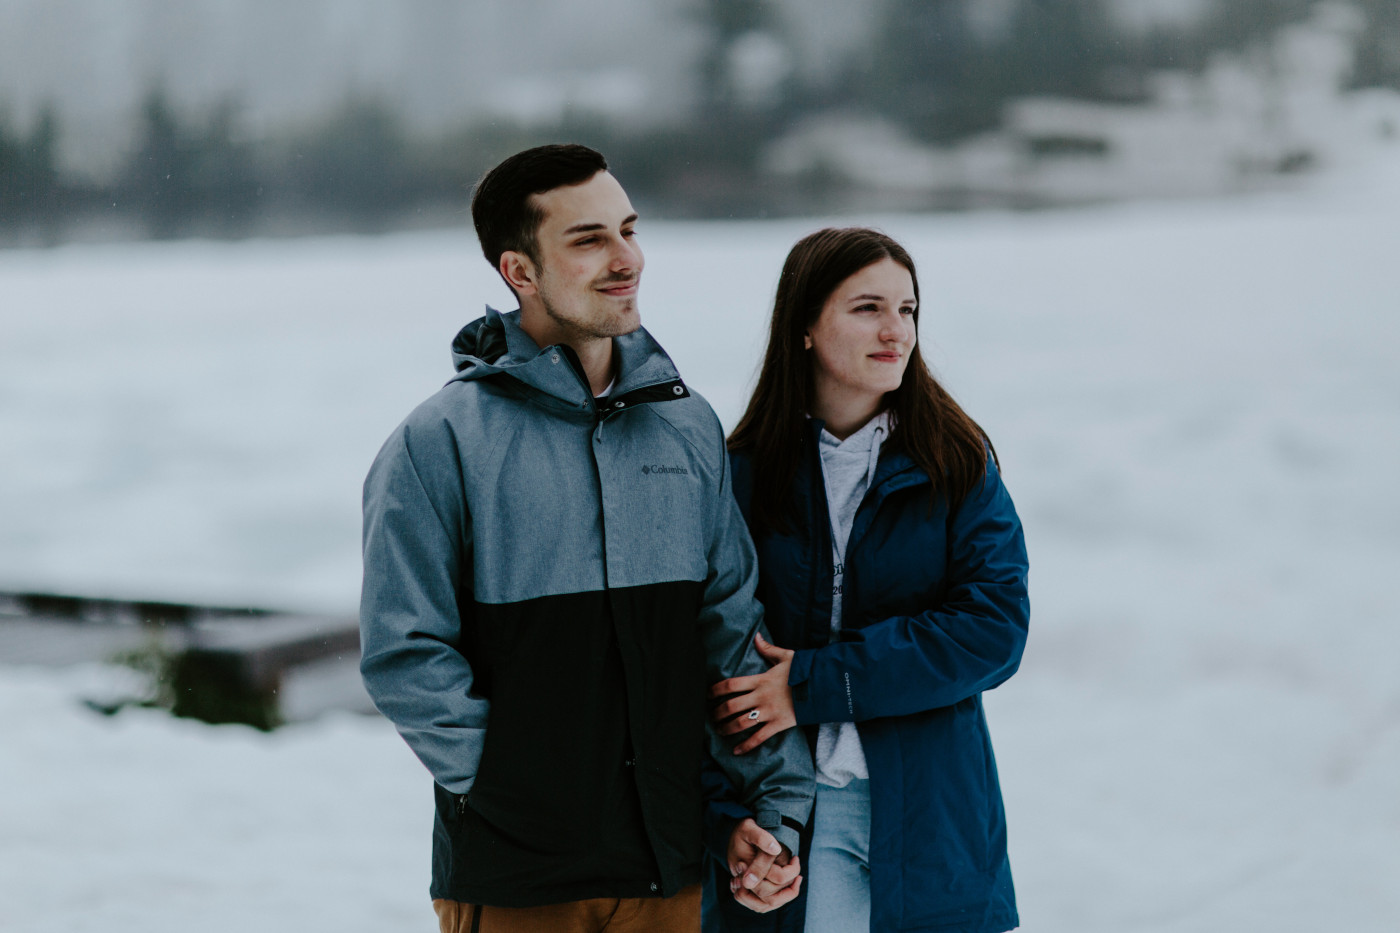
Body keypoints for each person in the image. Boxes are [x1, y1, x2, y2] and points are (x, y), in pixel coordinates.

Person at [358, 144, 813, 933]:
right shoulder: (437, 443)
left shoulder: (687, 426)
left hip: (663, 874)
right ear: (519, 271)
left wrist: (773, 806)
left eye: (628, 230)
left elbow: (732, 636)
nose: (626, 258)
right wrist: (508, 788)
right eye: (588, 239)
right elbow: (405, 654)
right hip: (517, 881)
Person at [701, 227, 1030, 933]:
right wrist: (725, 822)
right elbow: (702, 663)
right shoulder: (738, 477)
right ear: (805, 329)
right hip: (789, 820)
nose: (897, 330)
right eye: (868, 308)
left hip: (929, 813)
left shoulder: (957, 465)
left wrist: (816, 682)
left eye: (908, 310)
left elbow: (994, 629)